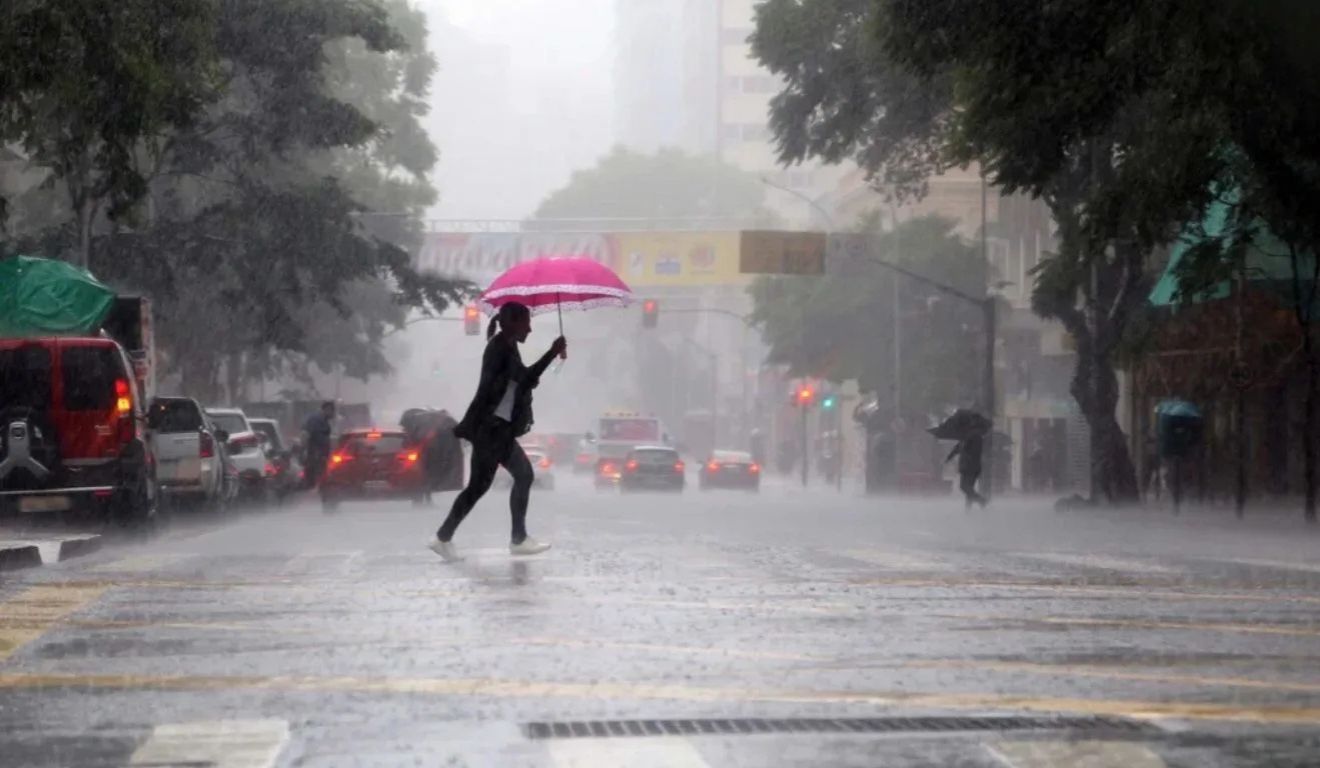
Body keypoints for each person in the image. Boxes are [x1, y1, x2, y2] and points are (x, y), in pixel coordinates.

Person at [428, 302, 566, 561]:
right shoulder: (500, 348)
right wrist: (551, 352)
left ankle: (444, 537)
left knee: (484, 486)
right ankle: (517, 538)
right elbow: (523, 379)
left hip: (494, 428)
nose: (530, 329)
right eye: (526, 323)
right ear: (512, 323)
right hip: (491, 429)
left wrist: (539, 368)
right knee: (513, 478)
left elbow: (520, 382)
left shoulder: (508, 346)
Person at [945, 431, 987, 509]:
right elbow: (957, 449)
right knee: (969, 488)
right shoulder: (965, 439)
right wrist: (949, 457)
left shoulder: (975, 438)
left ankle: (981, 500)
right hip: (967, 467)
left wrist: (965, 446)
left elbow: (974, 452)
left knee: (964, 486)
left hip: (971, 467)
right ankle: (968, 510)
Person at [301, 401, 335, 489]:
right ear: (327, 409)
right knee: (317, 480)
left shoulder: (322, 420)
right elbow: (312, 436)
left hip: (318, 456)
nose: (333, 414)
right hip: (316, 456)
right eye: (332, 411)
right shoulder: (317, 420)